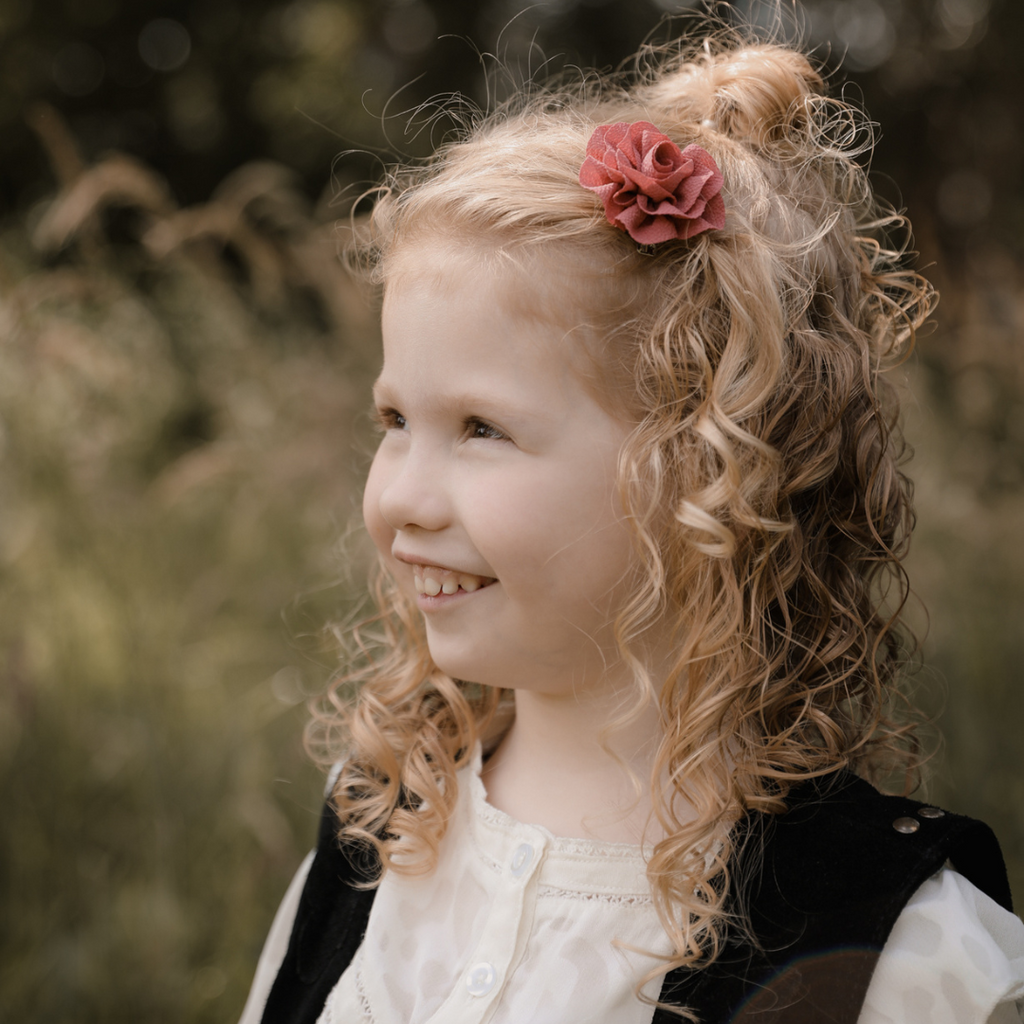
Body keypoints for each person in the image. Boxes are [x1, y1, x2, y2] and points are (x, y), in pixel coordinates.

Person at [238, 26, 1024, 1024]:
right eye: (395, 421)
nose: (400, 498)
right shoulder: (372, 848)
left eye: (482, 428)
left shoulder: (901, 953)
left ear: (704, 464)